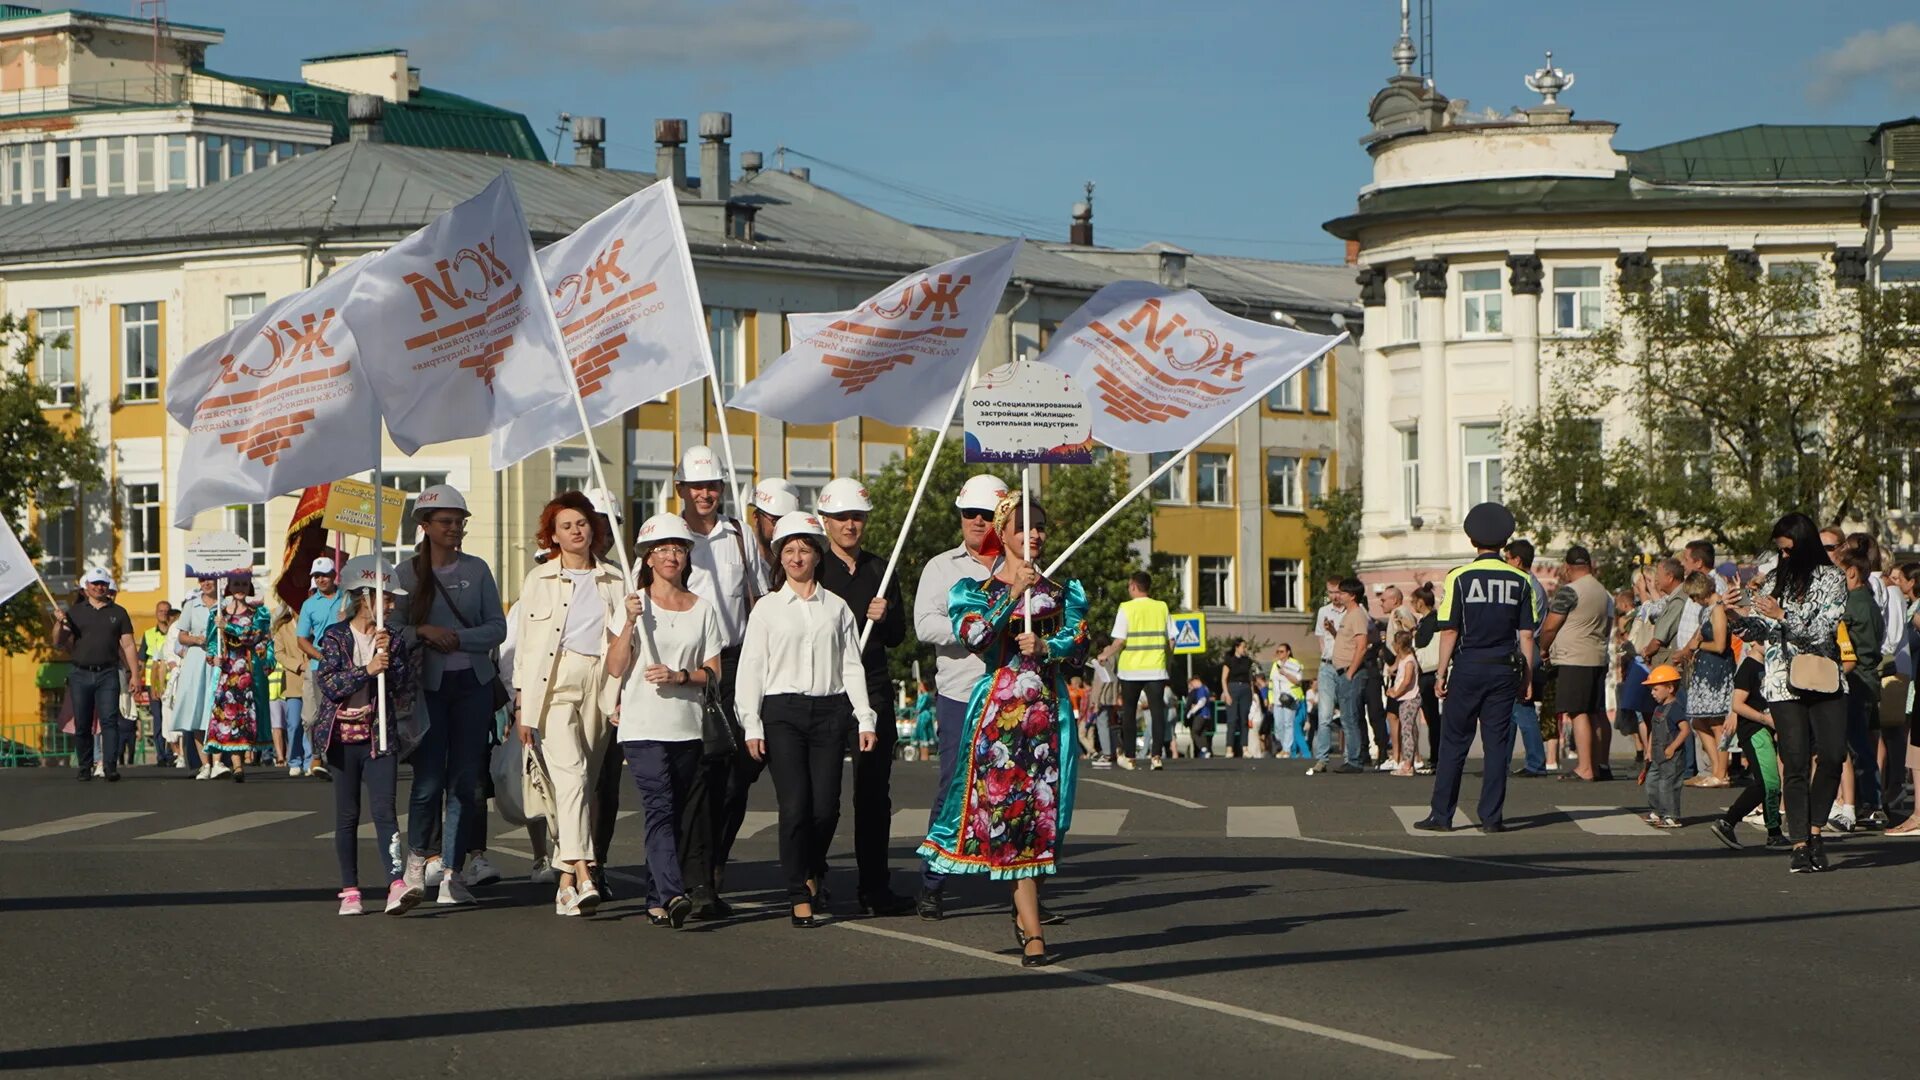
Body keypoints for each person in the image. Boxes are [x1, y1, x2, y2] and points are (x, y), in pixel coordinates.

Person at [918, 492, 1089, 967]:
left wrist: (1048, 646)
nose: (1032, 535)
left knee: (1044, 820)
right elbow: (975, 636)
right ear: (1002, 533)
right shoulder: (975, 590)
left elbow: (1078, 646)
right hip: (1000, 718)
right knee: (1012, 818)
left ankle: (1026, 911)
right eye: (1022, 526)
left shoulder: (1062, 591)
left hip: (1049, 718)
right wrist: (1013, 595)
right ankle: (1031, 929)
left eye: (1039, 527)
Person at [737, 512, 879, 927]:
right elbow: (752, 668)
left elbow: (851, 665)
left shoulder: (836, 608)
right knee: (795, 806)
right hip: (782, 713)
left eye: (804, 550)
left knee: (826, 809)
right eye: (789, 550)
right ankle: (799, 890)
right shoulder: (766, 608)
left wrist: (864, 718)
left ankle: (813, 866)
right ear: (779, 558)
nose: (796, 557)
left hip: (831, 712)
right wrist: (751, 722)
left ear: (818, 556)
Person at [511, 491, 627, 916]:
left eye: (582, 524)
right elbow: (524, 647)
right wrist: (522, 705)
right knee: (573, 776)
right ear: (553, 536)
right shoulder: (537, 579)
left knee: (582, 783)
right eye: (566, 526)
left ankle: (564, 883)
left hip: (600, 683)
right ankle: (583, 871)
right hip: (554, 685)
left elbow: (623, 644)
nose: (576, 531)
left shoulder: (615, 579)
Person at [394, 484, 507, 904]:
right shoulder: (405, 574)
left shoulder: (477, 570)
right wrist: (423, 631)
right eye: (446, 522)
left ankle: (453, 873)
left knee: (464, 782)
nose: (455, 529)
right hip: (428, 691)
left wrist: (457, 638)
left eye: (460, 522)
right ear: (424, 526)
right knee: (427, 781)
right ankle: (419, 859)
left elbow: (498, 627)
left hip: (473, 687)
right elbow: (390, 632)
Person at [613, 513, 724, 930]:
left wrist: (680, 676)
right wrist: (627, 622)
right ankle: (676, 892)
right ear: (647, 557)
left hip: (688, 726)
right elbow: (614, 666)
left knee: (676, 813)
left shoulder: (704, 609)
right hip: (642, 726)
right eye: (662, 549)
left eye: (678, 548)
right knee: (658, 806)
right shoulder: (634, 605)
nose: (671, 556)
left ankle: (656, 897)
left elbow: (714, 672)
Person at [811, 477, 914, 915]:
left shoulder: (881, 569)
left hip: (872, 690)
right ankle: (811, 880)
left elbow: (896, 638)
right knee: (823, 796)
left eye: (856, 517)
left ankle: (875, 887)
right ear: (826, 522)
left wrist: (885, 614)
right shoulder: (815, 570)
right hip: (827, 689)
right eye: (841, 518)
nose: (850, 525)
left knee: (874, 793)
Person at [678, 446, 772, 919]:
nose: (705, 494)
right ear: (681, 490)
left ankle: (713, 861)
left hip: (735, 665)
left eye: (712, 486)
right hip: (685, 669)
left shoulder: (740, 537)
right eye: (697, 486)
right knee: (694, 775)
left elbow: (764, 598)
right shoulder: (669, 537)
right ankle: (693, 878)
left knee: (735, 776)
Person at [1726, 513, 1848, 873]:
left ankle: (1815, 829)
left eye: (1789, 550)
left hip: (1824, 676)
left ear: (1804, 545)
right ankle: (1799, 842)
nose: (1784, 557)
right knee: (1793, 761)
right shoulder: (1775, 580)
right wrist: (1735, 616)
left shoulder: (1832, 578)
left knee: (1832, 754)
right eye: (1780, 551)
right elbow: (1758, 630)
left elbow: (1824, 631)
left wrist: (1783, 615)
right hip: (1781, 680)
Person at [913, 472, 1009, 920]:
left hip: (1011, 697)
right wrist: (970, 629)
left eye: (986, 514)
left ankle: (1023, 894)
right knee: (955, 787)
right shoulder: (941, 567)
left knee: (1014, 795)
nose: (975, 521)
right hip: (960, 694)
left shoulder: (1020, 566)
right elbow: (923, 625)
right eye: (968, 513)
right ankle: (933, 882)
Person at [1416, 503, 1539, 833]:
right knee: (1497, 745)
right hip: (1504, 669)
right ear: (1505, 540)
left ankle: (1441, 815)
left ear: (1472, 539)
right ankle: (1492, 818)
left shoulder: (1459, 577)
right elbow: (1526, 634)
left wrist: (1441, 673)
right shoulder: (1520, 580)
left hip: (1468, 666)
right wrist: (1528, 676)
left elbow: (1450, 630)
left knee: (1454, 741)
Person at [313, 555, 421, 917]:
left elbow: (404, 686)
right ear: (364, 598)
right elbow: (329, 684)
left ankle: (396, 883)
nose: (391, 605)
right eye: (386, 598)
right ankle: (350, 890)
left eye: (392, 598)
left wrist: (389, 655)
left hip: (380, 737)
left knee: (385, 811)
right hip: (343, 740)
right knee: (347, 815)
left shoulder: (391, 637)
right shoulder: (335, 636)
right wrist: (366, 669)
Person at [52, 568, 143, 783]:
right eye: (95, 583)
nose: (99, 587)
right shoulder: (74, 612)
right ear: (86, 587)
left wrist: (135, 675)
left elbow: (128, 644)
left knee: (110, 720)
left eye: (103, 583)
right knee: (83, 722)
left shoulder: (118, 612)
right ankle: (85, 766)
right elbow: (58, 641)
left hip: (108, 672)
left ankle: (110, 766)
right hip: (80, 673)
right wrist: (59, 623)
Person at [1538, 546, 1614, 782]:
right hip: (1598, 656)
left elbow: (1550, 625)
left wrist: (1543, 647)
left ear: (1568, 567)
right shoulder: (1604, 593)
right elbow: (1609, 626)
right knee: (1595, 712)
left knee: (1578, 712)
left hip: (1574, 658)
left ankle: (1585, 768)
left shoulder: (1569, 592)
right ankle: (1600, 764)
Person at [1710, 652, 1787, 850]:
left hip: (1766, 730)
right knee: (1767, 783)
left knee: (1770, 782)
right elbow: (1737, 704)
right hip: (1754, 730)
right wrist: (1766, 720)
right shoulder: (1749, 667)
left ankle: (1774, 833)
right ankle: (1728, 822)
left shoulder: (1771, 663)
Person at [1830, 550, 1883, 832]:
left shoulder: (1854, 603)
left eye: (1840, 570)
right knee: (1861, 741)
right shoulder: (1870, 602)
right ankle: (1869, 801)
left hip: (1857, 677)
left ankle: (1869, 803)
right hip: (1868, 676)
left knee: (1856, 743)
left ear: (1852, 572)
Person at [1098, 571, 1173, 771]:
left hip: (1131, 670)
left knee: (1129, 713)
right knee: (1158, 714)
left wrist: (1106, 654)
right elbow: (1172, 640)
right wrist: (1167, 657)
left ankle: (1130, 758)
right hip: (1156, 669)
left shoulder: (1126, 608)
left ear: (1133, 586)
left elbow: (1120, 640)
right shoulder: (1162, 607)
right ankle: (1156, 756)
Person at [205, 576, 272, 782]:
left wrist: (228, 626)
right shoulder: (217, 614)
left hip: (248, 672)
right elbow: (212, 642)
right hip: (226, 673)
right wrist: (213, 655)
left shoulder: (258, 613)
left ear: (249, 587)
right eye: (236, 584)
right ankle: (236, 764)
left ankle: (239, 762)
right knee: (228, 716)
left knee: (244, 717)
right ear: (229, 587)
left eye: (244, 584)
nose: (240, 588)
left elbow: (252, 636)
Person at [1503, 540, 1555, 776]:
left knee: (1522, 707)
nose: (1505, 563)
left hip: (1525, 650)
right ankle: (1503, 760)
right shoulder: (1528, 585)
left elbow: (1526, 625)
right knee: (1513, 709)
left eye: (1507, 558)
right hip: (1524, 649)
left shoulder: (1529, 588)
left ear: (1517, 561)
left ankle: (1536, 762)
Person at [1681, 571, 1735, 789]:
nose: (1693, 601)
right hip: (1704, 669)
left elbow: (1721, 645)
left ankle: (1721, 772)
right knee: (1699, 720)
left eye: (1694, 596)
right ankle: (1715, 769)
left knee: (1716, 722)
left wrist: (1698, 646)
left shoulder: (1718, 610)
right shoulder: (1706, 610)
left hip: (1716, 670)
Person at [296, 558, 345, 781]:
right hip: (318, 665)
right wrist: (320, 655)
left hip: (344, 665)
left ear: (334, 575)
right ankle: (316, 754)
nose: (320, 579)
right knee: (311, 717)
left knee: (340, 714)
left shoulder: (348, 598)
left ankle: (334, 759)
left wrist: (348, 618)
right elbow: (302, 639)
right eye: (317, 576)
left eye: (324, 575)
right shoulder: (309, 604)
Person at [1315, 579, 1371, 775]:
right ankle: (1353, 758)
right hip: (1342, 670)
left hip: (1350, 671)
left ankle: (1354, 760)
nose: (1339, 596)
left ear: (1352, 595)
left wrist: (1350, 673)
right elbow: (1345, 640)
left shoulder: (1357, 615)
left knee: (1350, 717)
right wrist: (1332, 631)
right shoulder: (1349, 615)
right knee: (1347, 716)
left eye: (1343, 593)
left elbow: (1361, 646)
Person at [169, 575, 219, 774]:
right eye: (202, 580)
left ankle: (218, 762)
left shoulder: (225, 604)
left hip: (217, 660)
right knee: (197, 710)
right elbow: (181, 636)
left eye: (210, 579)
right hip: (196, 660)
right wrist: (197, 640)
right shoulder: (191, 605)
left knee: (216, 711)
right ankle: (204, 763)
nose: (206, 583)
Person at [1640, 664, 1688, 829]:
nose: (1652, 693)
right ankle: (1657, 811)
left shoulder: (1675, 709)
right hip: (1657, 754)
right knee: (1652, 783)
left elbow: (1685, 730)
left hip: (1672, 756)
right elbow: (1654, 729)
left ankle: (1671, 816)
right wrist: (1648, 750)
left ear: (1670, 688)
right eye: (1652, 690)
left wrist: (1673, 747)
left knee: (1668, 785)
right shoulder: (1658, 709)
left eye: (1655, 689)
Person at [270, 603, 314, 777]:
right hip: (293, 681)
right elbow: (278, 653)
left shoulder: (314, 627)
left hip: (312, 679)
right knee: (294, 723)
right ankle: (294, 759)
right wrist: (297, 666)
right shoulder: (283, 629)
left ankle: (310, 760)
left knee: (310, 722)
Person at [138, 602, 175, 767]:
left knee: (172, 718)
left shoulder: (174, 633)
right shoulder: (148, 634)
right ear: (156, 613)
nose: (163, 614)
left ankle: (173, 752)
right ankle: (162, 755)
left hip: (172, 682)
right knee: (158, 719)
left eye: (167, 611)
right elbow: (141, 661)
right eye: (161, 611)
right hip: (153, 685)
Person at [1411, 583, 1441, 773]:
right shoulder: (1428, 620)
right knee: (1432, 718)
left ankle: (1436, 759)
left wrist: (1412, 631)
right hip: (1429, 672)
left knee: (1433, 718)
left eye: (1414, 602)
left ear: (1421, 602)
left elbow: (1422, 642)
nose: (1412, 605)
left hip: (1429, 672)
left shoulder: (1430, 620)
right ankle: (1435, 758)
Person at [749, 479, 800, 588]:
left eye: (787, 521)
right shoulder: (744, 560)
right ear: (756, 517)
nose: (782, 528)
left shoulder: (797, 562)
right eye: (775, 521)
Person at [1386, 630, 1421, 775]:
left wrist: (1396, 692)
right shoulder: (1403, 659)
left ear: (1399, 645)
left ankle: (1407, 764)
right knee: (1408, 730)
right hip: (1405, 699)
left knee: (1407, 732)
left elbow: (1407, 681)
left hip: (1409, 699)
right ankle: (1409, 763)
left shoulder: (1409, 661)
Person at [1268, 643, 1306, 758]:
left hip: (1290, 697)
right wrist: (1270, 700)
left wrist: (1286, 673)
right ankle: (1283, 747)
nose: (1279, 654)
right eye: (1278, 651)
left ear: (1288, 652)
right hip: (1277, 699)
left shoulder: (1294, 664)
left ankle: (1287, 749)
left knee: (1288, 724)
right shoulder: (1275, 665)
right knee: (1278, 725)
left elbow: (1298, 681)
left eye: (1282, 651)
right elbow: (1271, 683)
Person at [1219, 639, 1255, 759]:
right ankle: (1229, 748)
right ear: (1237, 647)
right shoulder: (1229, 661)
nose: (1245, 649)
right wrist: (1226, 694)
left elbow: (1250, 678)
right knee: (1232, 720)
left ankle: (1245, 748)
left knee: (1244, 719)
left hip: (1245, 689)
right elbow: (1224, 679)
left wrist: (1252, 692)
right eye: (1243, 647)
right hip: (1233, 688)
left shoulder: (1248, 661)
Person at [1183, 676, 1213, 757]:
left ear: (1197, 681)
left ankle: (1203, 749)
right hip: (1207, 715)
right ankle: (1206, 751)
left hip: (1201, 714)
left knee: (1194, 732)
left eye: (1193, 683)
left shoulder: (1201, 689)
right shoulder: (1206, 689)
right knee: (1202, 733)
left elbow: (1201, 702)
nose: (1193, 686)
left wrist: (1191, 711)